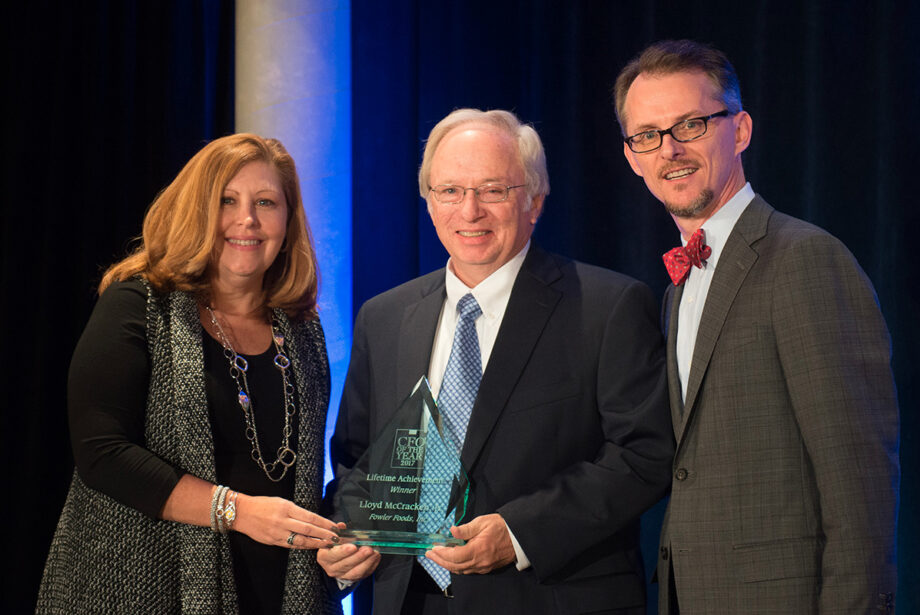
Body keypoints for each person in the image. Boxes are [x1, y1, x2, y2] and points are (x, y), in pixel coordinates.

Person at [317, 108, 674, 614]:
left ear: (535, 200)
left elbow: (645, 454)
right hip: (410, 601)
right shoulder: (384, 316)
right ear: (429, 202)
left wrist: (518, 533)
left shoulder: (607, 306)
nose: (469, 211)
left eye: (493, 190)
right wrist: (351, 532)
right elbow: (358, 457)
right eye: (450, 192)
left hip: (548, 597)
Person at [614, 40, 900, 614]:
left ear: (740, 130)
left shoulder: (805, 260)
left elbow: (859, 483)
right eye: (648, 134)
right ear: (632, 157)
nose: (670, 150)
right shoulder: (677, 288)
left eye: (691, 124)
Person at [37, 133, 344, 614]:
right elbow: (102, 453)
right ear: (198, 210)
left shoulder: (305, 334)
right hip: (136, 591)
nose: (247, 219)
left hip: (277, 593)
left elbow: (297, 482)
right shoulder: (138, 306)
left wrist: (338, 541)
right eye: (227, 200)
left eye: (266, 202)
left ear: (288, 221)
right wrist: (238, 512)